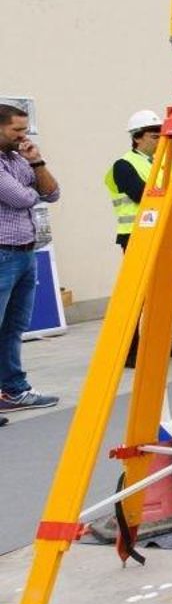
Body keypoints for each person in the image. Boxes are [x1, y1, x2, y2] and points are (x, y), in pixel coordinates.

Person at [108, 109, 172, 365]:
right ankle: (129, 351)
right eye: (155, 136)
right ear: (137, 138)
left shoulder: (165, 162)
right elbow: (142, 194)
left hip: (165, 233)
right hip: (137, 236)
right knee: (138, 296)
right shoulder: (124, 165)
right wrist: (171, 187)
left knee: (163, 292)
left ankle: (162, 341)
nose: (161, 140)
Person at [0, 103, 61, 420]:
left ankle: (12, 390)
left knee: (13, 327)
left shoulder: (17, 158)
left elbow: (52, 193)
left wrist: (36, 161)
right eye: (17, 130)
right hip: (3, 252)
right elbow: (22, 198)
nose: (23, 136)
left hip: (24, 251)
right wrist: (31, 185)